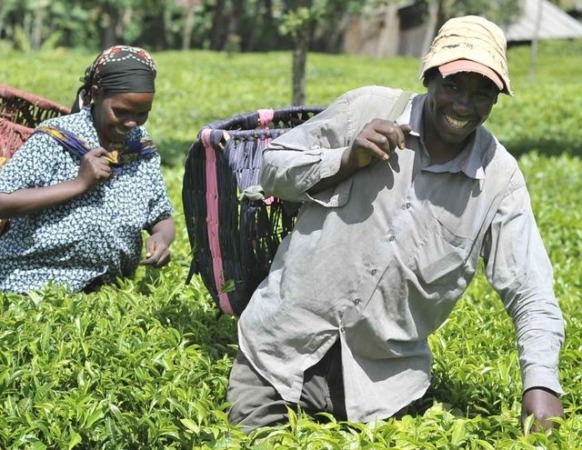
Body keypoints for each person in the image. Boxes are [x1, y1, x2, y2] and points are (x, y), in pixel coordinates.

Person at [226, 16, 565, 432]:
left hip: (382, 390)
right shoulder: (366, 109)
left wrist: (542, 383)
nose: (463, 105)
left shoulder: (500, 179)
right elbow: (272, 168)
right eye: (453, 86)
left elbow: (531, 290)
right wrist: (347, 159)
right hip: (278, 356)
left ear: (495, 99)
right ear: (429, 78)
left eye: (482, 94)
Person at [0, 46, 175, 294]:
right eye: (121, 112)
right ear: (96, 94)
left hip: (109, 288)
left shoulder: (140, 147)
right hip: (32, 281)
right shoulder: (55, 138)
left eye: (142, 114)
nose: (132, 122)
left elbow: (161, 216)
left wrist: (161, 238)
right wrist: (79, 184)